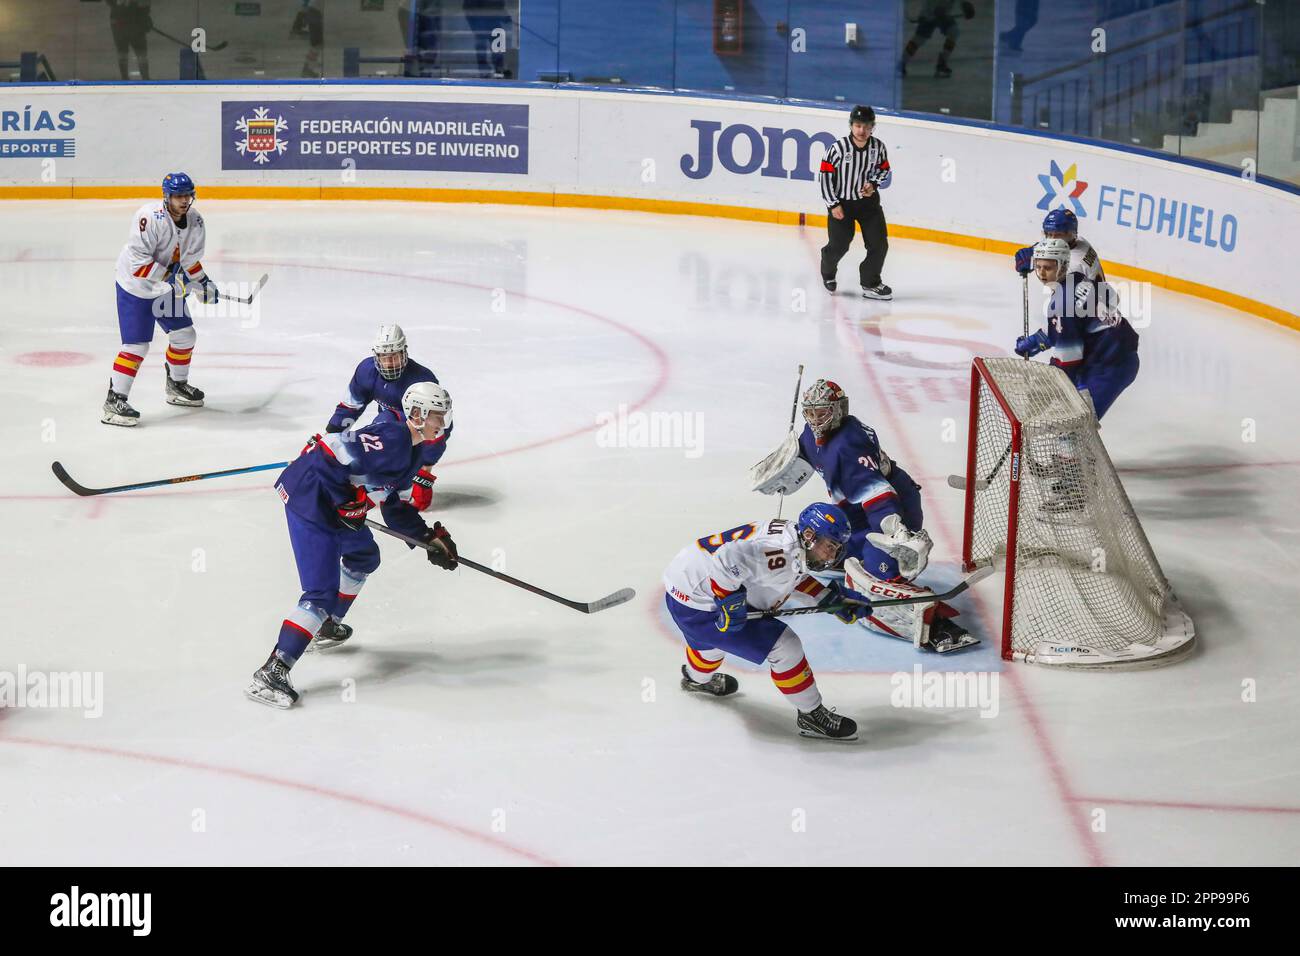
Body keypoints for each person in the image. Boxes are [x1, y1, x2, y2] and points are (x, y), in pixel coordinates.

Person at [246, 382, 459, 709]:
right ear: (417, 414)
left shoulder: (412, 451)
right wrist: (345, 502)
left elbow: (395, 507)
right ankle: (272, 671)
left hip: (331, 505)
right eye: (437, 416)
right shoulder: (394, 439)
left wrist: (427, 537)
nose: (441, 423)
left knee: (363, 556)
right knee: (320, 593)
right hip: (311, 501)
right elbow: (330, 454)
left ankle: (327, 625)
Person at [750, 380, 978, 653]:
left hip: (891, 508)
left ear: (839, 410)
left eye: (822, 413)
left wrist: (896, 533)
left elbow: (879, 495)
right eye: (810, 413)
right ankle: (852, 551)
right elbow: (805, 457)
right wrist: (783, 467)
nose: (815, 420)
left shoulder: (850, 443)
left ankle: (941, 626)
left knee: (880, 574)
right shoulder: (811, 436)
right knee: (826, 540)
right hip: (853, 510)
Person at [663, 504, 859, 740]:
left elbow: (789, 574)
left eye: (836, 548)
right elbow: (728, 558)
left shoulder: (792, 539)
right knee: (785, 647)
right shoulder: (778, 553)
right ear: (809, 536)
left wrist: (829, 598)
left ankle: (696, 679)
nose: (831, 555)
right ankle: (811, 714)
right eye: (830, 546)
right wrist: (729, 603)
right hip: (698, 603)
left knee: (711, 647)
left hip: (685, 588)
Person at [104, 172, 213, 427]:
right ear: (167, 196)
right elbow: (138, 263)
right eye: (178, 196)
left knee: (185, 335)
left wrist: (204, 283)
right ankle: (114, 400)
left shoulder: (196, 221)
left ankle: (177, 386)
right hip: (136, 286)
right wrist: (174, 278)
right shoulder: (148, 217)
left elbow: (189, 261)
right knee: (136, 347)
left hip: (164, 287)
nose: (183, 200)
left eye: (187, 195)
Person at [1015, 238, 1139, 421]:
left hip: (1110, 366)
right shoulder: (1078, 278)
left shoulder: (1062, 304)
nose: (1041, 273)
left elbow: (1068, 363)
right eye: (1038, 266)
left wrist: (1047, 391)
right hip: (1108, 355)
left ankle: (1067, 448)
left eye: (1048, 267)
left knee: (1074, 423)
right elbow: (1109, 299)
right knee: (1071, 422)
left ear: (1063, 265)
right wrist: (1038, 340)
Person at [818, 105, 893, 300]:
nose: (862, 131)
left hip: (868, 205)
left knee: (879, 245)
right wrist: (833, 204)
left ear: (872, 127)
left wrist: (874, 184)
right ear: (851, 126)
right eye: (858, 125)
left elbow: (884, 169)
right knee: (840, 245)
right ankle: (827, 268)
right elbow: (825, 177)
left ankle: (871, 283)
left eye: (867, 126)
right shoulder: (837, 149)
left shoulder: (878, 147)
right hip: (842, 204)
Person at [1013, 208, 1105, 281]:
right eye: (1049, 234)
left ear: (1071, 234)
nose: (1052, 241)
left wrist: (1036, 260)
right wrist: (1034, 251)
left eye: (1059, 235)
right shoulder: (1081, 242)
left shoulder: (1072, 266)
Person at [899, 0, 976, 79]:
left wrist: (965, 6)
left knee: (954, 31)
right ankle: (902, 63)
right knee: (919, 39)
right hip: (928, 14)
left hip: (943, 14)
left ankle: (942, 62)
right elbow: (932, 7)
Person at [106, 0, 151, 81]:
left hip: (119, 23)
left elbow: (110, 2)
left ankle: (125, 78)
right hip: (135, 23)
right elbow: (145, 5)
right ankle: (145, 78)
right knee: (140, 53)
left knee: (123, 53)